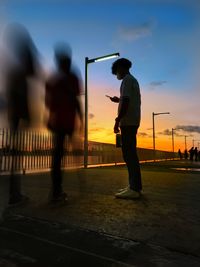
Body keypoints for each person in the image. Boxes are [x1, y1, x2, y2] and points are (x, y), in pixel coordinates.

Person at [4, 23, 39, 205]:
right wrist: (26, 114)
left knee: (16, 155)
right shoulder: (19, 73)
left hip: (15, 117)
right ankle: (14, 194)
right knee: (16, 155)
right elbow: (17, 96)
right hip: (16, 117)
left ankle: (14, 193)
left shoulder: (17, 72)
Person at [45, 43, 83, 203]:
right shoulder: (73, 77)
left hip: (59, 122)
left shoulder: (53, 80)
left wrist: (49, 119)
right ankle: (58, 191)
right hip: (67, 122)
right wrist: (80, 119)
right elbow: (76, 99)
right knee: (65, 155)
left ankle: (56, 191)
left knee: (58, 157)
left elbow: (49, 103)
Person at [109, 58, 142, 199]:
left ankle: (134, 188)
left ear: (121, 68)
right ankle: (134, 186)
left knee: (129, 154)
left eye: (116, 71)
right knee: (130, 154)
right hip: (132, 121)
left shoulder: (127, 80)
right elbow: (127, 99)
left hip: (127, 122)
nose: (116, 75)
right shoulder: (132, 80)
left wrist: (117, 120)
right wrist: (119, 100)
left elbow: (127, 101)